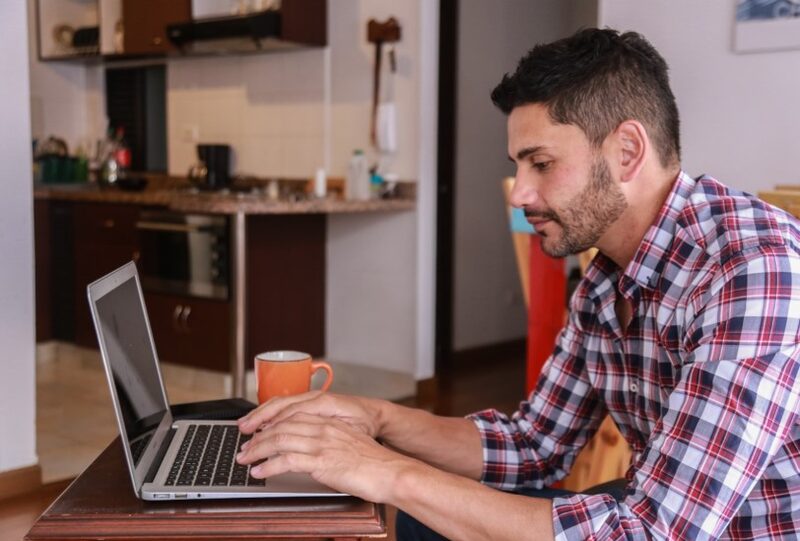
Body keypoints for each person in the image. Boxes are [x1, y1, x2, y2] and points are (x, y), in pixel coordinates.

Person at [235, 28, 800, 540]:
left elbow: (649, 534)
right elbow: (533, 445)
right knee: (404, 516)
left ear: (627, 152)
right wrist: (377, 419)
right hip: (657, 517)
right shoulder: (606, 280)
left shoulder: (752, 271)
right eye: (518, 165)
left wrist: (386, 470)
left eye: (542, 163)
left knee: (404, 498)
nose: (518, 193)